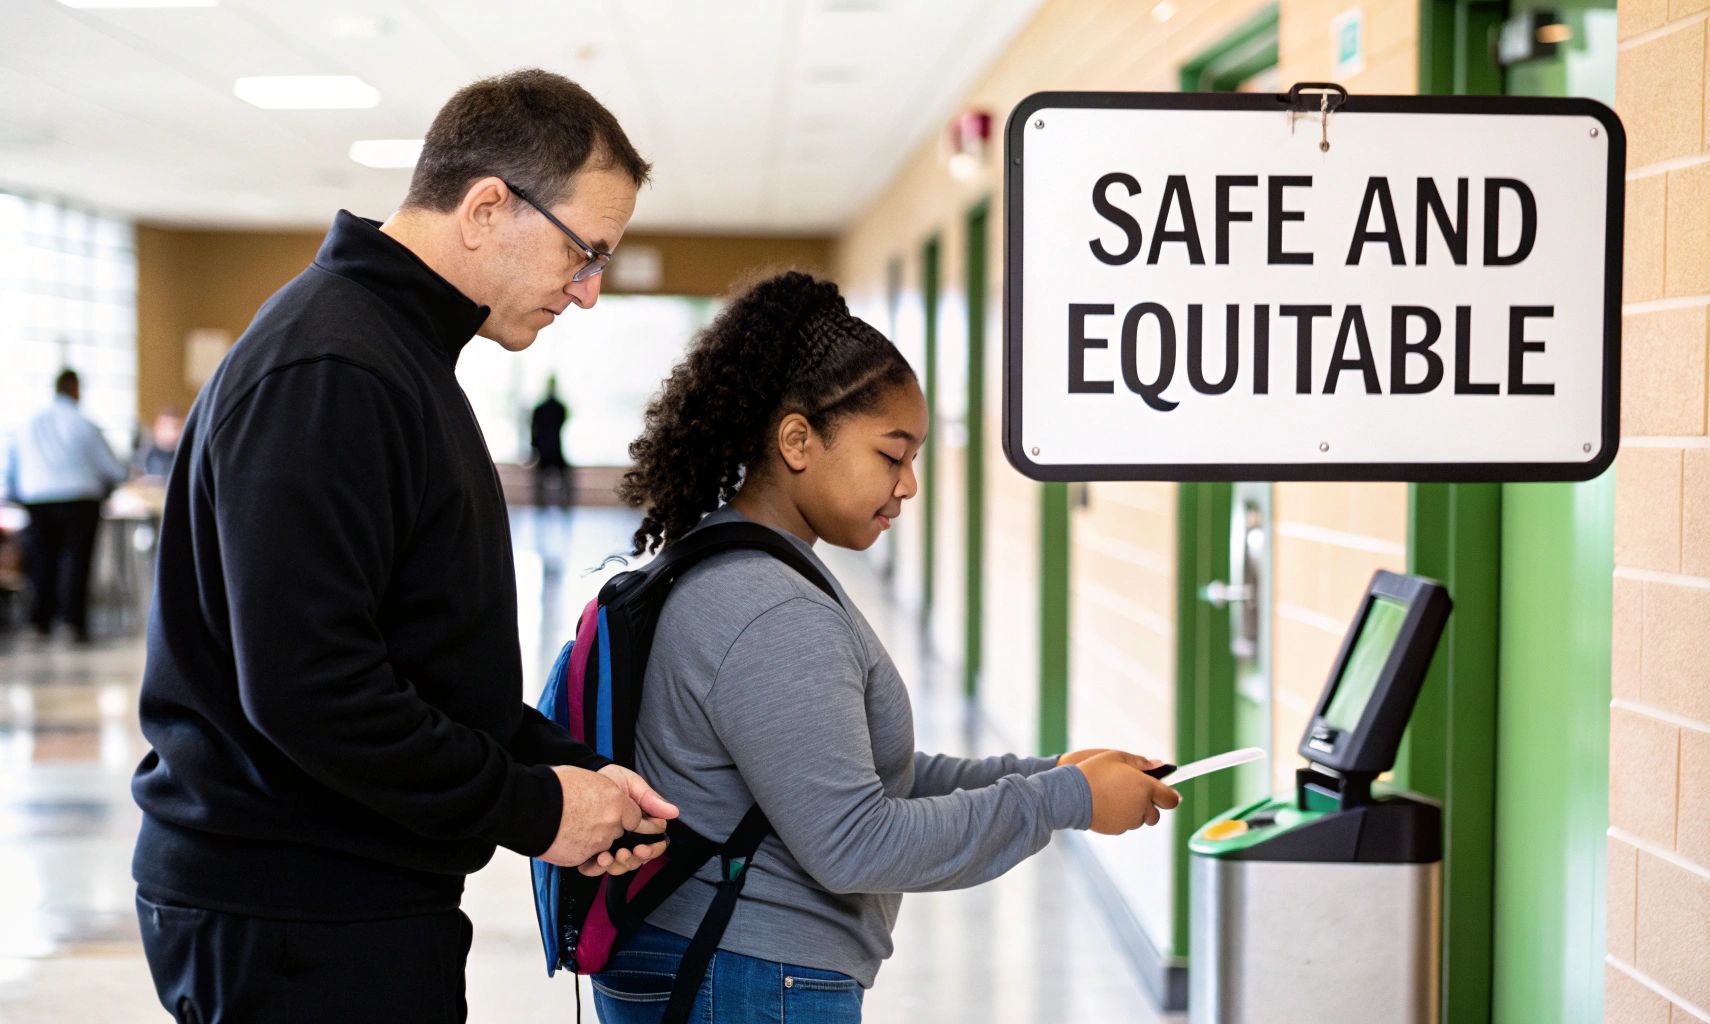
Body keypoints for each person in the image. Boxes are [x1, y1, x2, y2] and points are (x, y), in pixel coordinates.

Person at [130, 69, 678, 1024]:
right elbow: (314, 692)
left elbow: (415, 656)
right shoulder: (333, 368)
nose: (587, 293)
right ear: (486, 208)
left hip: (356, 895)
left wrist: (566, 770)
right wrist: (537, 810)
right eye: (583, 253)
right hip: (296, 911)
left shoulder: (396, 352)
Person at [598, 272, 1180, 1024]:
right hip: (744, 979)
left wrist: (1050, 774)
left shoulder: (743, 567)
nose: (908, 485)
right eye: (891, 455)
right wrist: (1065, 802)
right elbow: (855, 840)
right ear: (799, 440)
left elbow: (864, 777)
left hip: (725, 965)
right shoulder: (771, 609)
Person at [2, 369, 127, 642]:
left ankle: (39, 623)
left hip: (36, 500)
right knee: (76, 562)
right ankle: (71, 624)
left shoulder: (29, 423)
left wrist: (12, 493)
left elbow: (10, 468)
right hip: (79, 500)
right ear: (75, 389)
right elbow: (113, 469)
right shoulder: (84, 423)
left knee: (42, 562)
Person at [530, 376, 574, 510]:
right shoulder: (558, 408)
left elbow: (534, 430)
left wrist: (535, 447)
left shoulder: (540, 408)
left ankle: (542, 503)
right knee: (563, 477)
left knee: (543, 479)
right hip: (553, 449)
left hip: (546, 449)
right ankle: (562, 503)